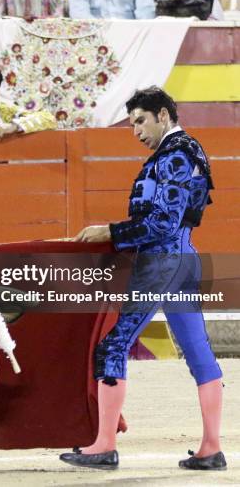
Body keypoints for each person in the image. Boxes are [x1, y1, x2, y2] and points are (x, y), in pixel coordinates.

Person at [59, 86, 226, 472]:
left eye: (140, 121)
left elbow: (162, 222)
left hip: (163, 261)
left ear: (163, 116)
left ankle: (103, 445)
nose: (136, 131)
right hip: (185, 258)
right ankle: (211, 448)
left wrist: (111, 233)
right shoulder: (192, 151)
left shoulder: (173, 156)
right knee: (198, 350)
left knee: (113, 345)